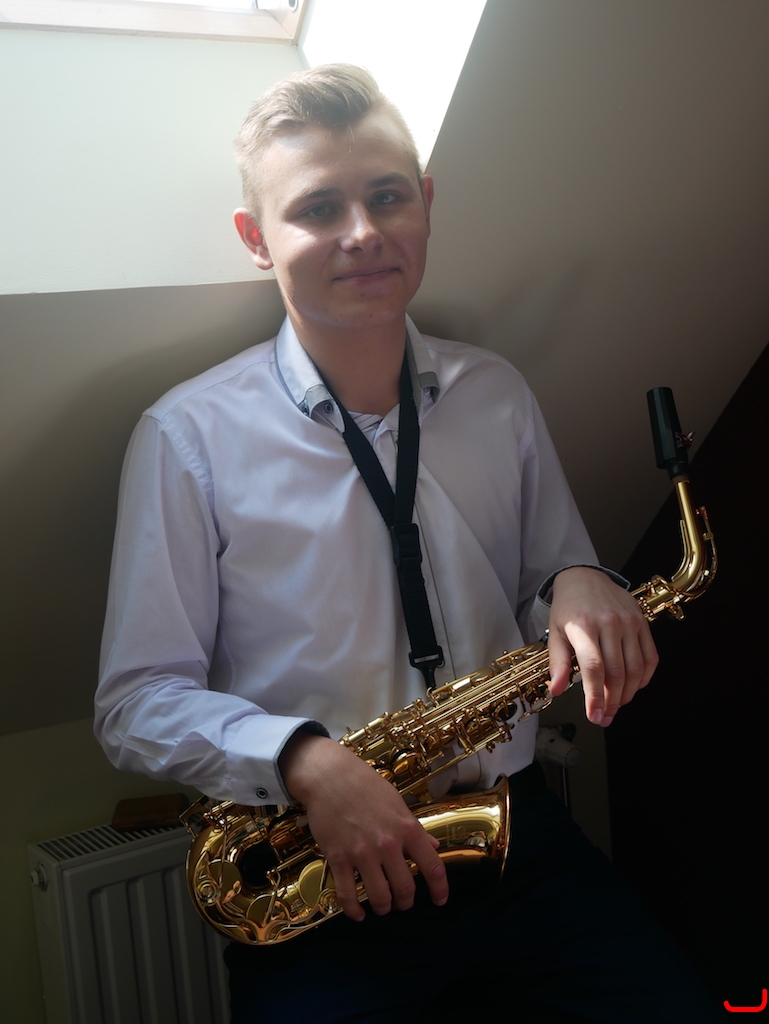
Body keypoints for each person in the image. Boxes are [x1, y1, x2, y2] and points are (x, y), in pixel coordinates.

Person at [95, 65, 721, 1023]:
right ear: (256, 239)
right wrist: (306, 762)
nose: (363, 231)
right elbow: (135, 701)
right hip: (322, 865)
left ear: (424, 202)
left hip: (516, 840)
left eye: (387, 196)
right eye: (318, 208)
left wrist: (579, 580)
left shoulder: (496, 391)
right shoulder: (186, 438)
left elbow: (543, 580)